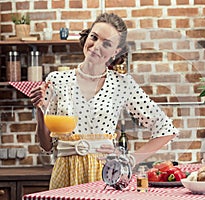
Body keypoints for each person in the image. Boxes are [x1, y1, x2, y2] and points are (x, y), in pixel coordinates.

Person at [30, 12, 178, 190]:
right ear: (87, 37)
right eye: (94, 37)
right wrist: (41, 110)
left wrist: (129, 160)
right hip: (65, 173)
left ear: (115, 52)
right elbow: (46, 145)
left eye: (106, 43)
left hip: (104, 175)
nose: (96, 46)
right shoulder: (57, 80)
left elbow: (165, 128)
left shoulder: (122, 84)